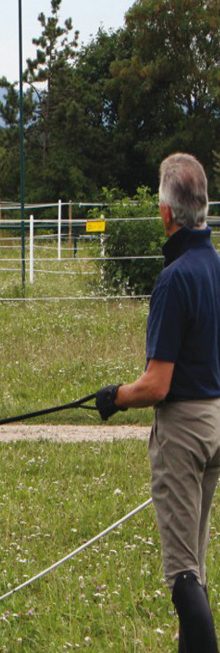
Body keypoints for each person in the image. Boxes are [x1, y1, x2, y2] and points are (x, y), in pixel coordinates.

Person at [97, 153, 220, 652]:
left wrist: (115, 397)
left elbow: (158, 384)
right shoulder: (215, 266)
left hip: (184, 430)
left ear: (167, 213)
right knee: (198, 564)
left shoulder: (174, 281)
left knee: (182, 576)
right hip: (216, 422)